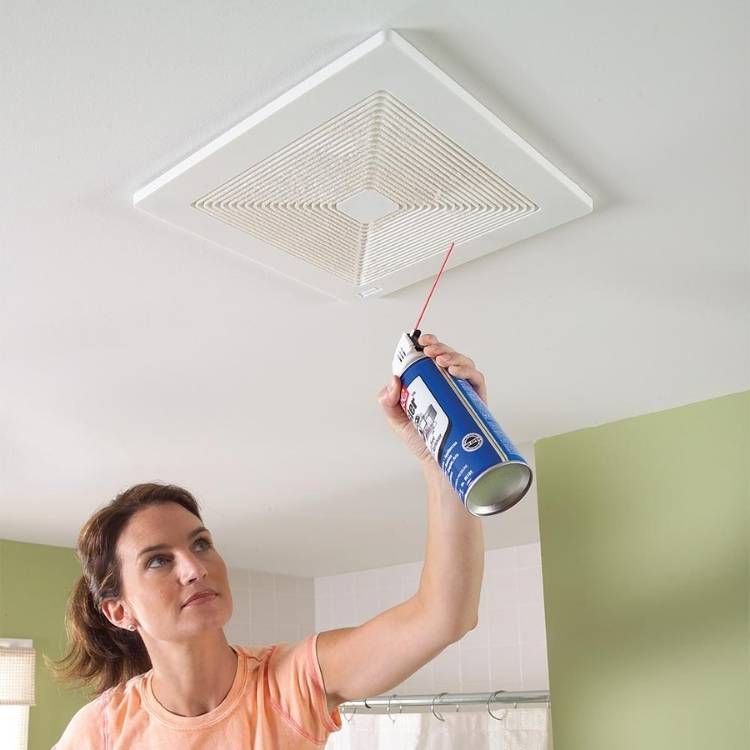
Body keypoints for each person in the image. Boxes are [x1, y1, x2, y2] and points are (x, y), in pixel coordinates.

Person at [52, 332, 486, 748]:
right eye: (158, 561)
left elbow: (445, 617)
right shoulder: (103, 730)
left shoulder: (289, 683)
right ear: (119, 610)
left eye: (200, 544)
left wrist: (442, 456)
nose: (195, 568)